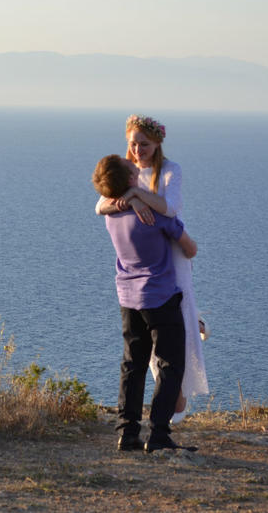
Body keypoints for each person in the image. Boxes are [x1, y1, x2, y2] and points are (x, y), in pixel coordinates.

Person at [96, 115, 209, 423]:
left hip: (170, 253)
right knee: (157, 339)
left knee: (179, 326)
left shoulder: (170, 170)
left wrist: (133, 194)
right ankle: (166, 411)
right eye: (132, 143)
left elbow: (169, 207)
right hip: (147, 251)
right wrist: (131, 199)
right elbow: (100, 205)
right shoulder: (124, 169)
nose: (137, 150)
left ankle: (176, 398)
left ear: (158, 143)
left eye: (143, 144)